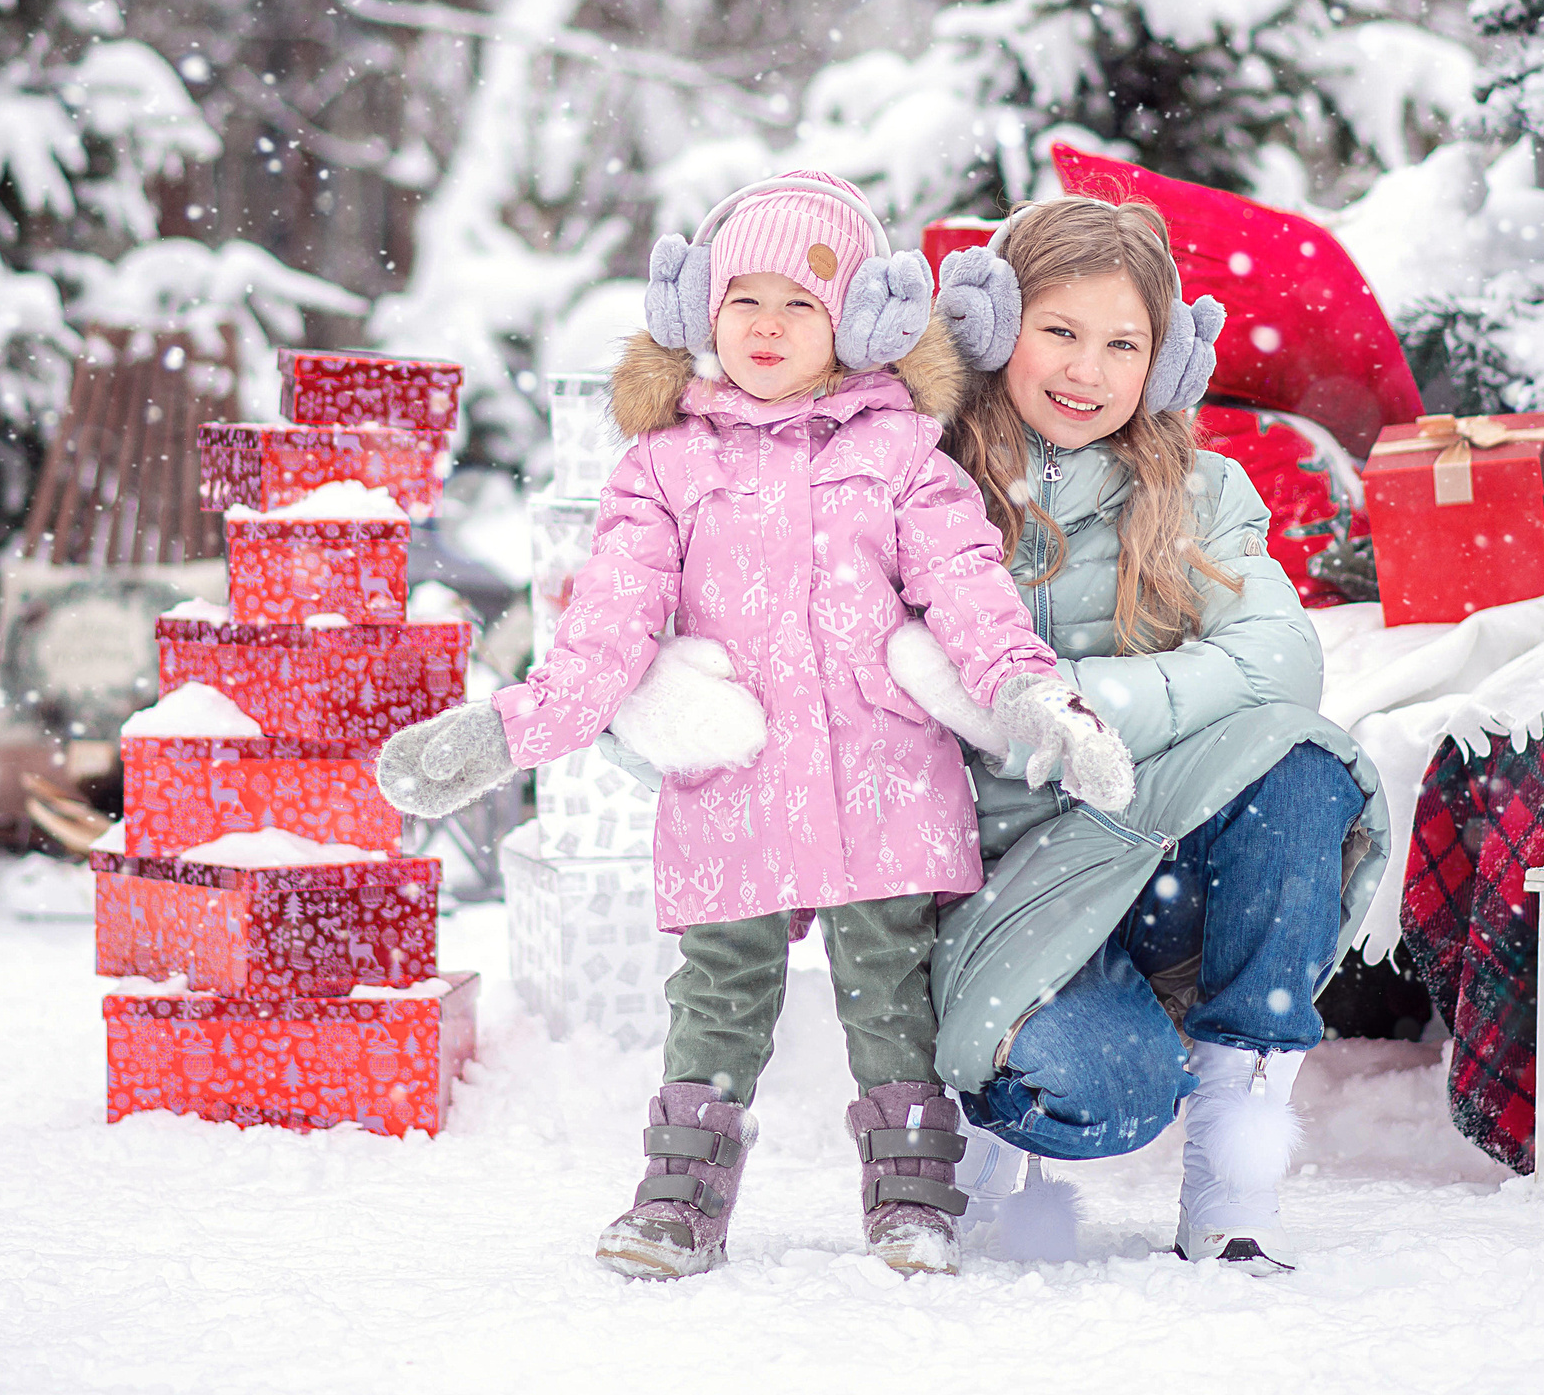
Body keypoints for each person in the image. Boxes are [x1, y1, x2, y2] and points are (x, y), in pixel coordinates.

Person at [375, 170, 1127, 1282]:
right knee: (719, 997)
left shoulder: (903, 456)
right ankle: (680, 1201)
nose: (768, 328)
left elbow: (967, 586)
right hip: (738, 784)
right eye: (745, 300)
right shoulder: (664, 467)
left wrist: (1029, 693)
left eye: (802, 304)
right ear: (701, 314)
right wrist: (511, 731)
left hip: (885, 783)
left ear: (857, 323)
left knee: (891, 994)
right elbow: (606, 631)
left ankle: (913, 1195)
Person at [887, 195, 1387, 1273]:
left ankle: (1232, 1180)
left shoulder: (1199, 492)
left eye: (1124, 344)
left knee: (1299, 766)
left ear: (1163, 364)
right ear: (990, 326)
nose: (1088, 370)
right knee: (1101, 1095)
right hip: (993, 883)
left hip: (1146, 849)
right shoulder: (917, 482)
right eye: (1059, 332)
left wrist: (1081, 698)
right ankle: (984, 1122)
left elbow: (1280, 661)